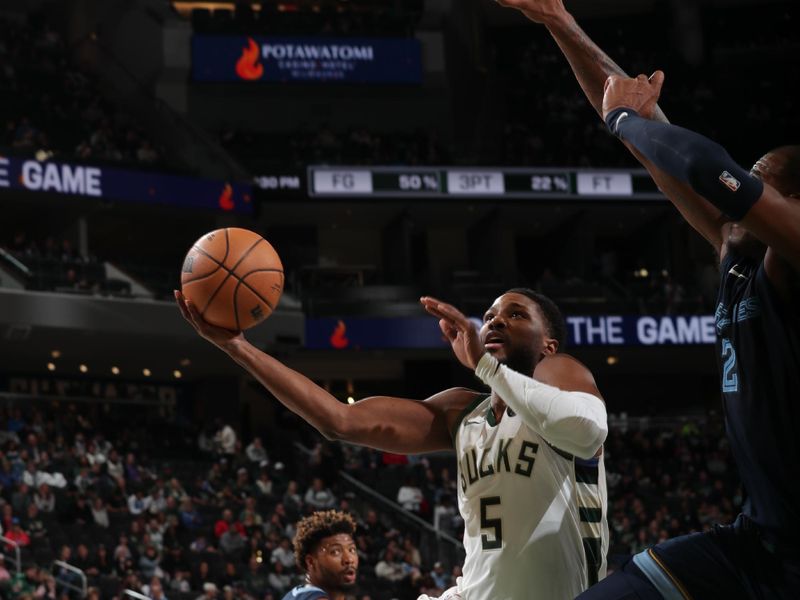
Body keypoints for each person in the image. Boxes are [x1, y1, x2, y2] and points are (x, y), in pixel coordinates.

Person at [493, 0, 800, 597]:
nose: (748, 180)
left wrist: (627, 122)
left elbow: (706, 168)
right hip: (755, 540)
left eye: (764, 178)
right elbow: (647, 130)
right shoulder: (738, 251)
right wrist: (560, 21)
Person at [176, 286, 609, 599]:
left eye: (515, 314)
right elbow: (339, 420)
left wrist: (486, 367)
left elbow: (586, 429)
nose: (496, 319)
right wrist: (237, 347)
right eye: (491, 314)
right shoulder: (462, 414)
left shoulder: (561, 372)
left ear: (548, 345)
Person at [281, 510, 358, 600]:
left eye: (351, 550)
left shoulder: (296, 594)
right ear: (311, 561)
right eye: (335, 552)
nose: (349, 559)